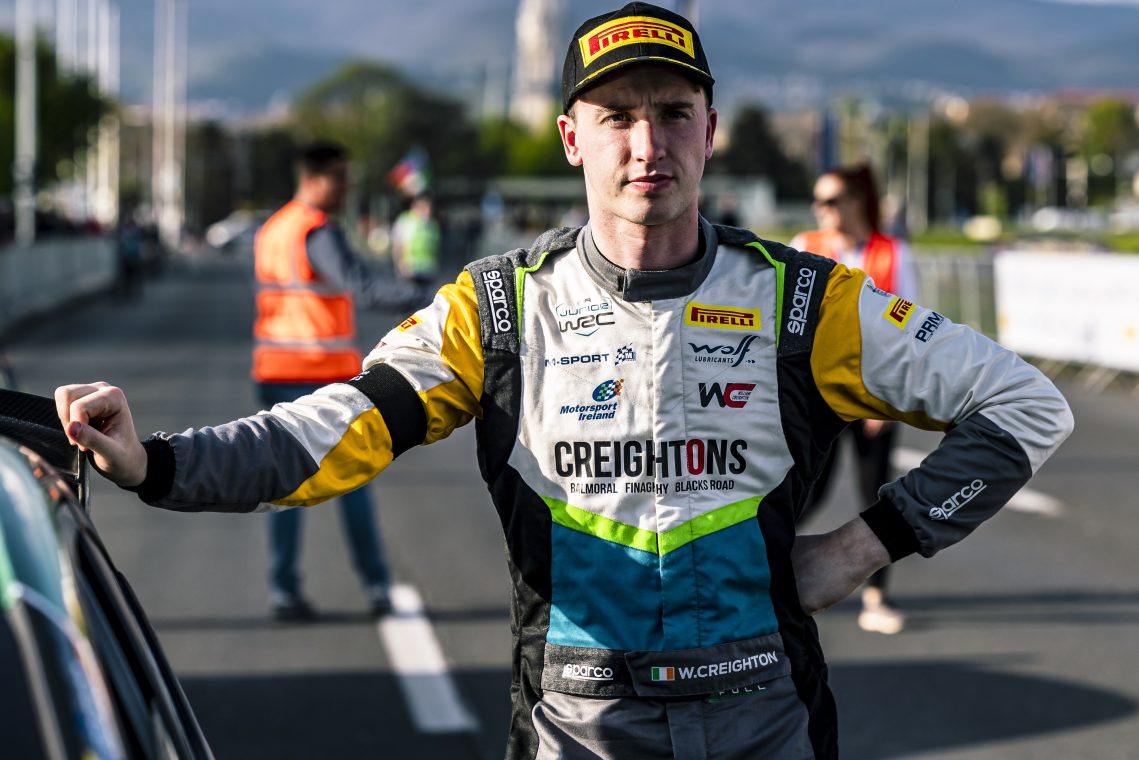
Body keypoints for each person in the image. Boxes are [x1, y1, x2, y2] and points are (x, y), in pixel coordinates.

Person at [55, 3, 1073, 757]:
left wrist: (867, 544)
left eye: (673, 113)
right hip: (580, 730)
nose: (648, 145)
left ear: (711, 127)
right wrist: (157, 462)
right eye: (617, 116)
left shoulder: (806, 299)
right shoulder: (499, 307)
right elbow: (332, 428)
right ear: (571, 136)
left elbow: (1028, 405)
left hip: (767, 720)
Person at [251, 140, 405, 621]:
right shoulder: (317, 230)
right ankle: (377, 586)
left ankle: (282, 591)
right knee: (354, 482)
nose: (344, 187)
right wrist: (429, 295)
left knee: (284, 490)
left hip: (275, 372)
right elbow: (362, 286)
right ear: (314, 179)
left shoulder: (273, 229)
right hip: (322, 375)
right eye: (338, 178)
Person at [790, 164, 920, 635]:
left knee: (877, 496)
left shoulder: (893, 252)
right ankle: (755, 568)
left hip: (874, 399)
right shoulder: (805, 248)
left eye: (831, 200)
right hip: (818, 400)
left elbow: (909, 332)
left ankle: (877, 597)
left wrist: (886, 399)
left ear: (857, 201)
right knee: (804, 493)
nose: (821, 209)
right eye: (818, 200)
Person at [390, 193, 441, 298]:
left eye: (429, 208)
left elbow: (434, 248)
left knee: (427, 302)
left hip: (428, 270)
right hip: (410, 270)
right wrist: (399, 265)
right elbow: (397, 245)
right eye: (424, 208)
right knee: (410, 300)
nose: (428, 211)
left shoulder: (432, 224)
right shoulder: (406, 221)